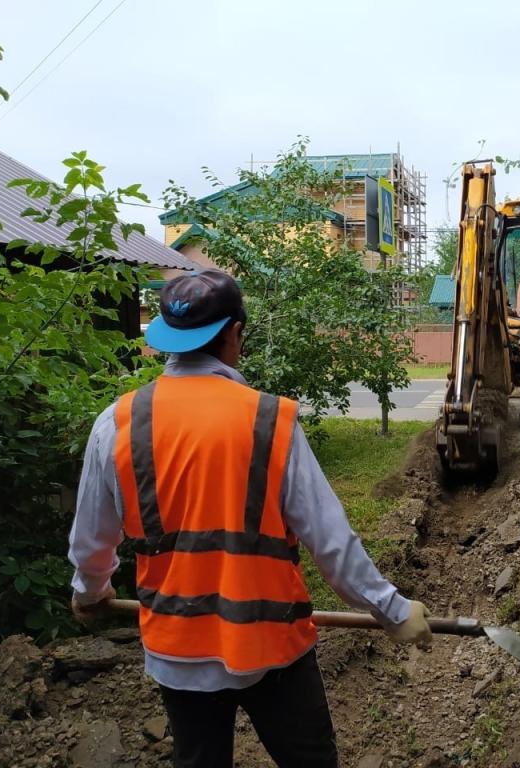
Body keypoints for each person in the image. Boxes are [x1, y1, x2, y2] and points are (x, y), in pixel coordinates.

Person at [68, 269, 432, 768]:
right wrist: (392, 610)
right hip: (271, 645)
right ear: (235, 333)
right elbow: (331, 543)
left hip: (178, 651)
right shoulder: (268, 420)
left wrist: (90, 593)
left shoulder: (118, 421)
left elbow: (91, 541)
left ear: (168, 340)